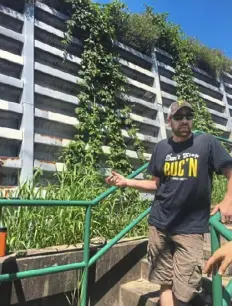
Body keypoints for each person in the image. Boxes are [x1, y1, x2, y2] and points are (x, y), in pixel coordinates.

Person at [105, 100, 232, 306]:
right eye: (179, 117)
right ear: (169, 120)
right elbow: (156, 184)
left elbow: (230, 171)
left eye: (188, 117)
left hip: (190, 230)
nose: (184, 121)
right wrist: (126, 182)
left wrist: (228, 199)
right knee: (163, 281)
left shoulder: (206, 142)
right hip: (159, 224)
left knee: (184, 290)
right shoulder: (162, 148)